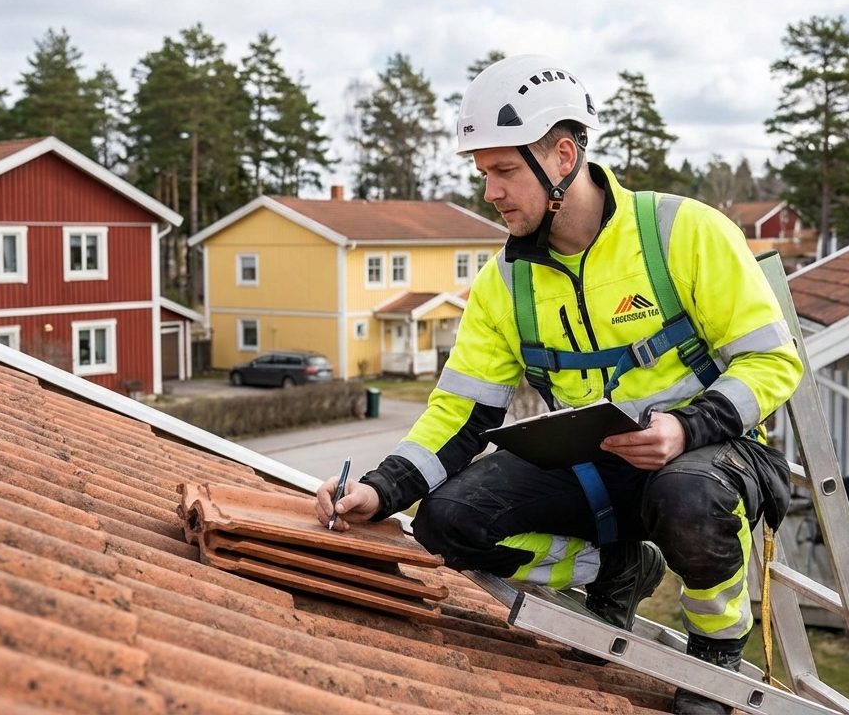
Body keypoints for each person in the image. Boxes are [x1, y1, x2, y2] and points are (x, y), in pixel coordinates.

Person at [317, 54, 802, 715]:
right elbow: (460, 414)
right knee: (445, 522)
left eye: (505, 171)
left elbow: (773, 363)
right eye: (483, 173)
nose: (491, 192)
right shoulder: (503, 285)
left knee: (689, 495)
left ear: (565, 156)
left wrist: (685, 427)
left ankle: (716, 655)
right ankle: (620, 571)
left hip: (711, 458)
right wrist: (381, 488)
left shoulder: (682, 233)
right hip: (596, 467)